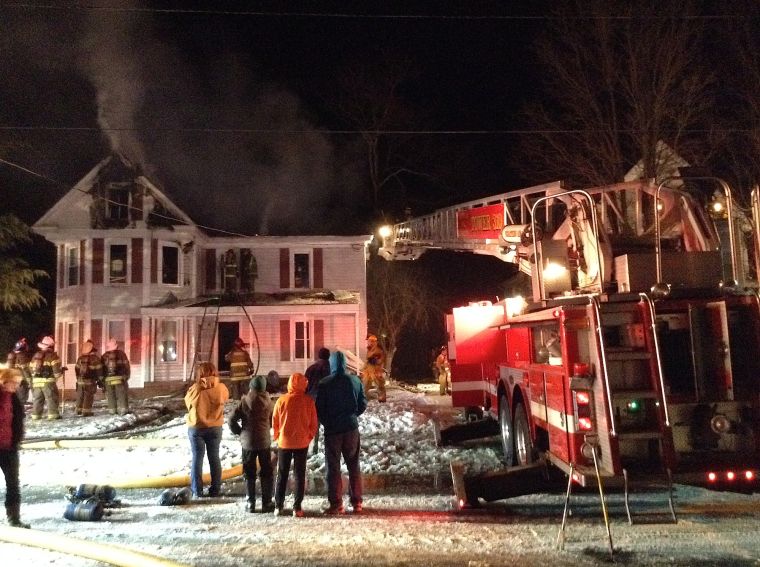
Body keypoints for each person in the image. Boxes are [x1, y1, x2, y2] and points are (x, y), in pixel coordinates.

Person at [316, 350, 367, 515]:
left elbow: (320, 409)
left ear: (331, 364)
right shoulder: (355, 381)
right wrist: (352, 415)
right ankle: (357, 501)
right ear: (345, 363)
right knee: (354, 465)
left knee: (333, 467)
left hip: (333, 431)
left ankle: (336, 503)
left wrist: (327, 422)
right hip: (351, 428)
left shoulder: (324, 383)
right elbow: (362, 403)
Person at [271, 372, 318, 517]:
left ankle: (278, 505)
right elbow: (313, 424)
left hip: (284, 443)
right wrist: (308, 437)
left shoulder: (281, 401)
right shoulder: (308, 401)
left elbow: (275, 422)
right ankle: (297, 507)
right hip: (301, 443)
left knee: (282, 474)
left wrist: (278, 437)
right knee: (299, 475)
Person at [227, 375, 275, 513]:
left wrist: (239, 432)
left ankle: (250, 502)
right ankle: (267, 502)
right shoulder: (269, 403)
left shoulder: (244, 402)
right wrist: (267, 428)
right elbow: (273, 419)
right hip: (264, 442)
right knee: (266, 472)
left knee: (249, 472)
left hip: (248, 443)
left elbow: (231, 419)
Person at [185, 362, 230, 498]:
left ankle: (197, 490)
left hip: (197, 428)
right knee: (214, 457)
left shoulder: (195, 389)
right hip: (215, 427)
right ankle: (215, 489)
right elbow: (226, 398)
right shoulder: (222, 388)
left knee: (197, 458)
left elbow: (187, 403)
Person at [0, 368, 30, 528]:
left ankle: (14, 519)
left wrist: (16, 441)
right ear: (5, 381)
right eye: (15, 382)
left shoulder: (14, 399)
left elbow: (18, 421)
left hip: (10, 448)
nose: (17, 386)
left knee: (13, 484)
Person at [29, 335, 63, 420]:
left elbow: (30, 369)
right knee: (51, 398)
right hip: (48, 382)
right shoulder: (53, 356)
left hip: (36, 382)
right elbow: (57, 373)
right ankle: (53, 415)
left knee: (37, 399)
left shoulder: (35, 356)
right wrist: (61, 371)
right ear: (51, 346)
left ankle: (36, 416)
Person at [304, 347, 331, 454]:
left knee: (314, 425)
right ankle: (330, 448)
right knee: (330, 426)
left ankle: (313, 447)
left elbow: (304, 385)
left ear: (318, 356)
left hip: (312, 401)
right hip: (327, 402)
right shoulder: (332, 368)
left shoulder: (311, 368)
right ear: (328, 356)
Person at [74, 340, 104, 417]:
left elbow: (76, 369)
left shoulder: (80, 358)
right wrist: (100, 380)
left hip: (80, 381)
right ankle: (86, 411)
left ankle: (78, 410)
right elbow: (99, 370)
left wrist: (78, 378)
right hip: (90, 381)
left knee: (80, 395)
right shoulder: (95, 359)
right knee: (88, 396)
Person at [102, 338, 130, 415]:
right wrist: (127, 375)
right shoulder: (122, 354)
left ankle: (112, 410)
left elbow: (102, 368)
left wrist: (102, 379)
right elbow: (126, 365)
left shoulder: (104, 356)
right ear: (116, 346)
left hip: (108, 379)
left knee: (111, 395)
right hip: (119, 378)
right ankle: (123, 410)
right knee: (121, 394)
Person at [361, 334, 386, 402]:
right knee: (365, 385)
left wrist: (374, 361)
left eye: (370, 341)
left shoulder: (378, 350)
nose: (368, 343)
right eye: (368, 341)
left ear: (374, 342)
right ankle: (362, 398)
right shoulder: (369, 349)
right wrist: (364, 369)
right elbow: (367, 360)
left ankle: (382, 399)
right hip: (368, 371)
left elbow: (380, 361)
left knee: (379, 384)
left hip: (376, 370)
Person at [6, 338, 31, 405]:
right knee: (22, 396)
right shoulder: (23, 356)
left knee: (14, 395)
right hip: (21, 379)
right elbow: (25, 369)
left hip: (13, 378)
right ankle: (21, 407)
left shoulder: (12, 355)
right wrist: (29, 380)